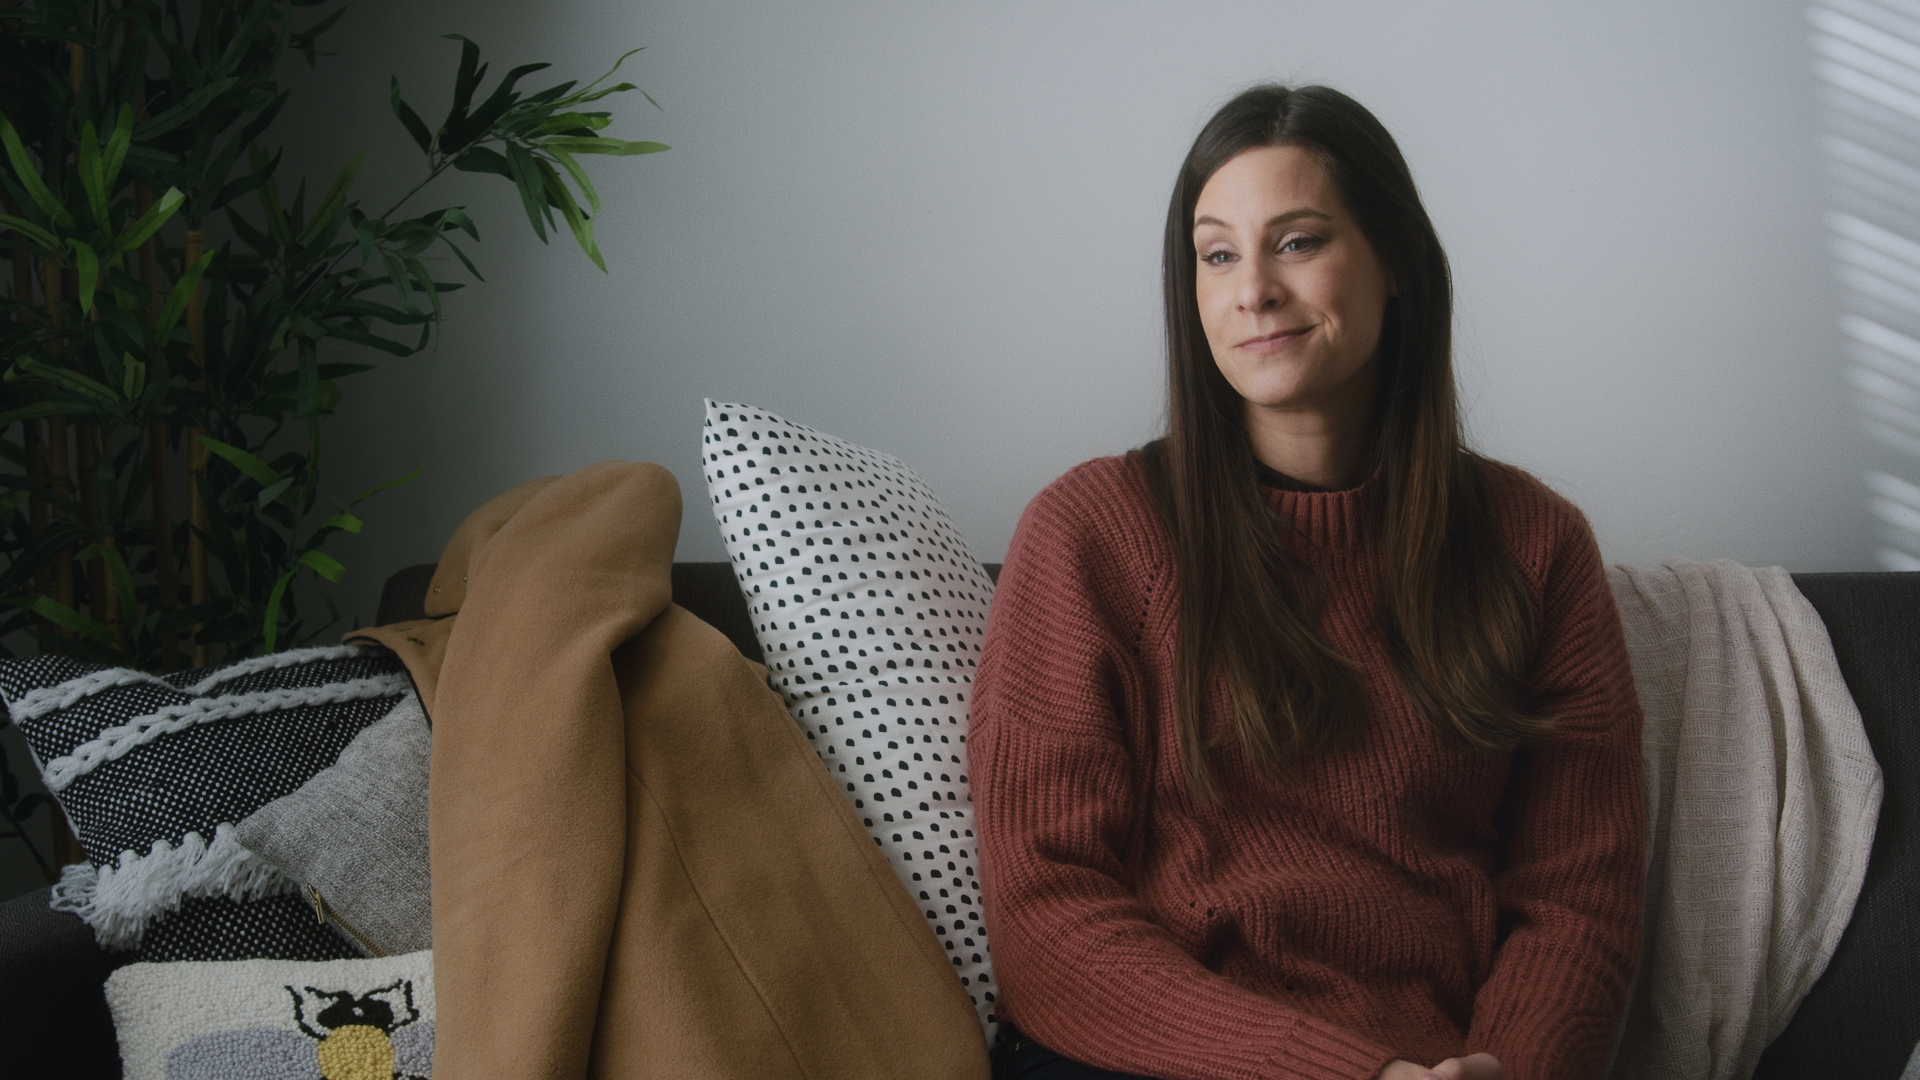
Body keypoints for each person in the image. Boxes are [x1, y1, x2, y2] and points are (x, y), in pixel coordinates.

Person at [970, 84, 1645, 1080]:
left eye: (1295, 242)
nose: (1252, 291)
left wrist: (1507, 1071)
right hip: (1158, 1059)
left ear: (1396, 264)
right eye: (1216, 254)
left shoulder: (1534, 545)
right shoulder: (1092, 533)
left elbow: (1577, 896)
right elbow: (1045, 917)